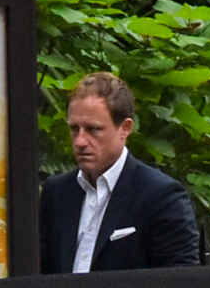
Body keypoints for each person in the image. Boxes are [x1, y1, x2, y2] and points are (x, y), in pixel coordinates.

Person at [40, 73, 201, 273]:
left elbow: (179, 282)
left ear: (125, 128)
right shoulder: (57, 192)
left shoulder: (160, 196)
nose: (80, 141)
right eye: (74, 129)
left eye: (93, 129)